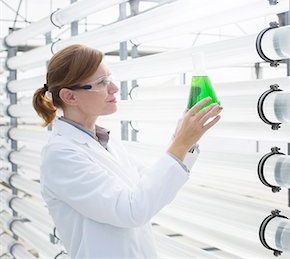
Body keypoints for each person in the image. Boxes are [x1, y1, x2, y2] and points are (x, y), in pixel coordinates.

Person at [32, 44, 222, 258]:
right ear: (70, 97)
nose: (114, 87)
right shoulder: (60, 155)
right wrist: (180, 143)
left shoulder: (105, 142)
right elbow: (132, 210)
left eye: (109, 78)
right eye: (102, 82)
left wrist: (184, 140)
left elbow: (150, 188)